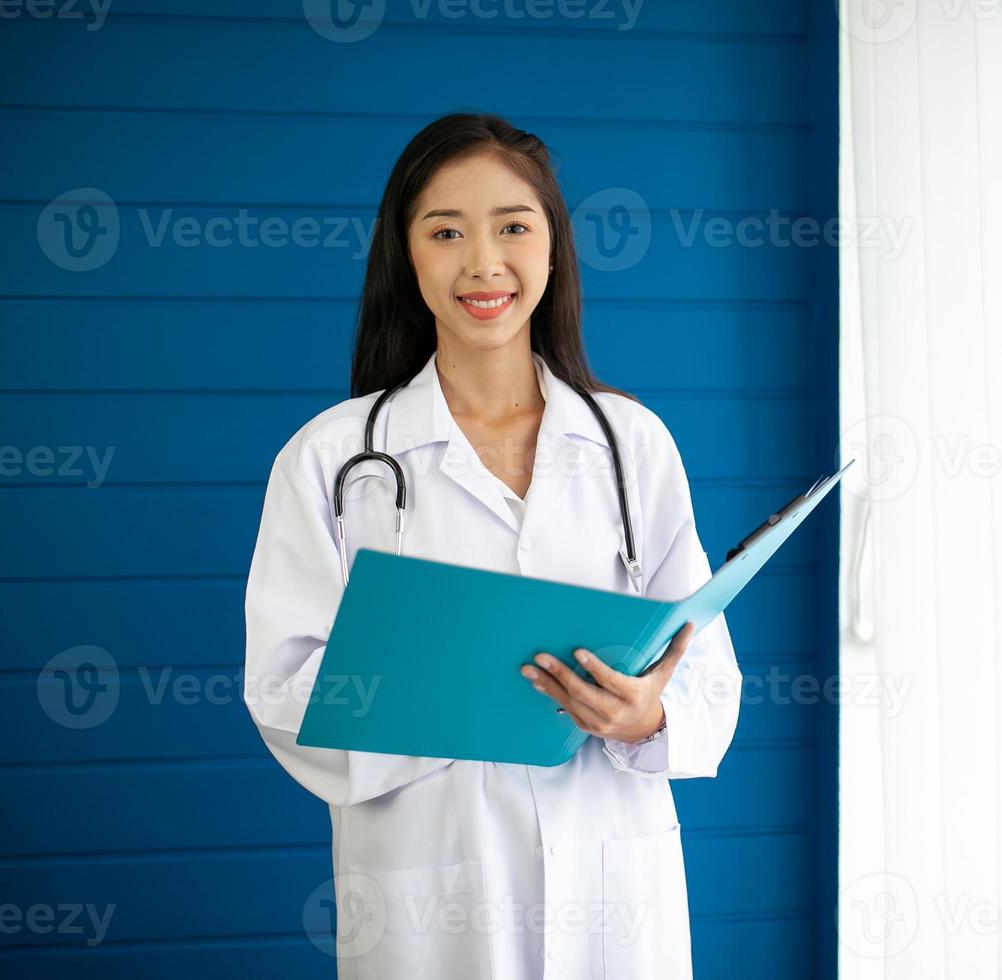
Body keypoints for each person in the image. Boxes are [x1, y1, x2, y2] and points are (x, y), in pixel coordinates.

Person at [242, 111, 743, 979]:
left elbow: (706, 670)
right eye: (446, 232)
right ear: (408, 256)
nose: (484, 263)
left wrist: (645, 718)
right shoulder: (332, 458)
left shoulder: (631, 445)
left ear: (552, 248)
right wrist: (457, 706)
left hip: (614, 895)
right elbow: (283, 687)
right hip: (430, 906)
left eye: (514, 226)